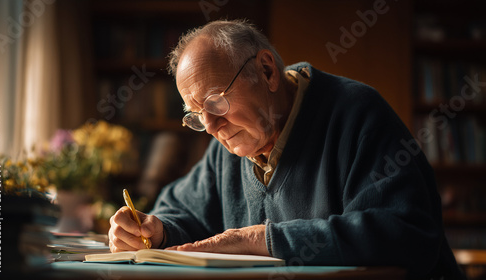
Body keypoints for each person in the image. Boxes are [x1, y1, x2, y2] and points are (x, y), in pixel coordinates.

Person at [108, 19, 465, 279]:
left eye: (216, 103)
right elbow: (184, 211)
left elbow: (404, 233)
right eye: (197, 116)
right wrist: (156, 229)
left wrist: (261, 240)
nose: (212, 128)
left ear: (266, 71)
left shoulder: (357, 114)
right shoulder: (229, 143)